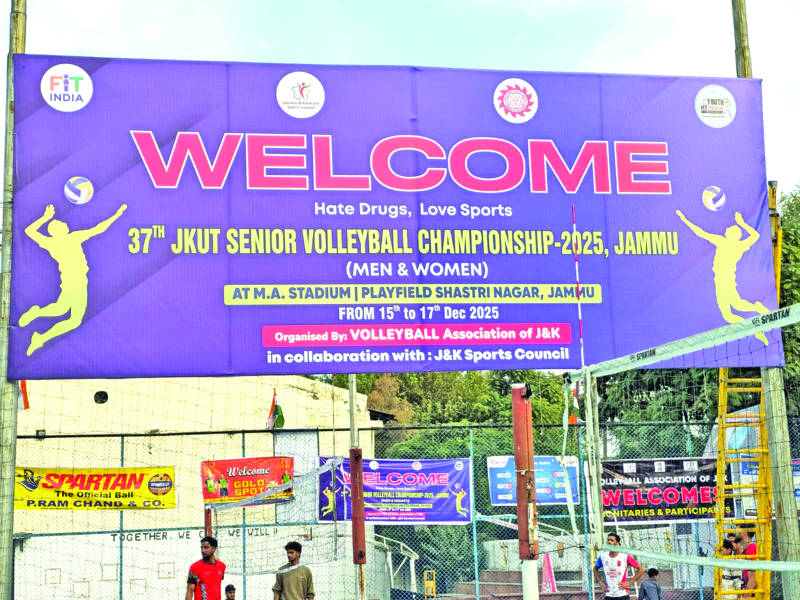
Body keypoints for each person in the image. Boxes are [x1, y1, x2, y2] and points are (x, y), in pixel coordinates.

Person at [19, 203, 127, 355]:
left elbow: (29, 231)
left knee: (66, 313)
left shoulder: (51, 243)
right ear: (57, 231)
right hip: (75, 282)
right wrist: (117, 215)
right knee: (70, 316)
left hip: (74, 281)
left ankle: (39, 334)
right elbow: (98, 229)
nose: (65, 224)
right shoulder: (72, 238)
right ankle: (37, 320)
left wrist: (45, 218)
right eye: (61, 224)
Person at [675, 210, 769, 345]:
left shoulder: (723, 241)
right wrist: (742, 223)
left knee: (731, 312)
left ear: (733, 235)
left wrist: (684, 219)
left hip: (724, 280)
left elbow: (701, 232)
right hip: (724, 280)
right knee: (732, 310)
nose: (726, 229)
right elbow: (755, 235)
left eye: (729, 229)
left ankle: (756, 313)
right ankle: (756, 317)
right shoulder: (739, 245)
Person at [594, 532, 645, 599]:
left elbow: (641, 570)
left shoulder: (625, 556)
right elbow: (595, 569)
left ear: (617, 543)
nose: (609, 542)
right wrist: (600, 582)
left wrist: (630, 582)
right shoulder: (603, 556)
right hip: (609, 595)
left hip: (622, 595)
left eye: (612, 540)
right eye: (608, 540)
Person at [186, 536, 226, 600]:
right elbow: (189, 592)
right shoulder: (194, 567)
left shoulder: (222, 566)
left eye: (206, 547)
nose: (203, 550)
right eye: (201, 547)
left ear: (214, 548)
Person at [741, 526, 757, 591]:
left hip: (752, 592)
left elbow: (752, 580)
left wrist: (746, 596)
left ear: (744, 534)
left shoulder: (751, 548)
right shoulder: (747, 549)